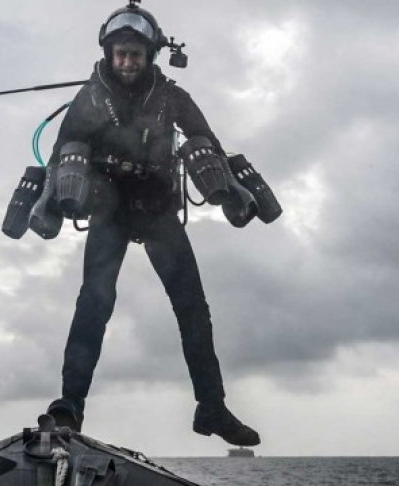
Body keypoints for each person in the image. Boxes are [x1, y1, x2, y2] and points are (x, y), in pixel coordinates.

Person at [40, 2, 260, 447]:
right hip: (109, 211)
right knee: (93, 306)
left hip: (158, 209)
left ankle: (212, 407)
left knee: (193, 307)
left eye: (136, 55)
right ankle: (70, 407)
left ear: (150, 55)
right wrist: (46, 204)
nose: (127, 62)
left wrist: (237, 189)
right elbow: (58, 156)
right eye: (121, 53)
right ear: (108, 53)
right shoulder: (90, 97)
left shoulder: (171, 96)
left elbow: (210, 143)